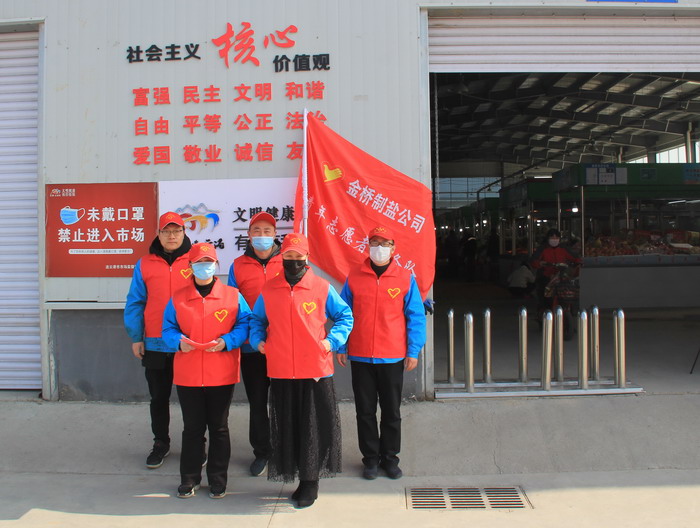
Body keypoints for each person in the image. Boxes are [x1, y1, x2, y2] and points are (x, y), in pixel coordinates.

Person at [249, 232, 353, 508]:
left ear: (307, 257)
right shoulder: (270, 289)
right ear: (281, 256)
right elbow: (256, 320)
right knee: (288, 426)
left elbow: (345, 315)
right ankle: (295, 475)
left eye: (298, 256)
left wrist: (332, 341)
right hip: (281, 370)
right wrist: (258, 341)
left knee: (312, 427)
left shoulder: (321, 287)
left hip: (314, 370)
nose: (293, 261)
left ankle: (310, 482)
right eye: (288, 256)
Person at [162, 242, 251, 499]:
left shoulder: (233, 296)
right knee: (192, 428)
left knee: (219, 428)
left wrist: (227, 341)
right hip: (188, 373)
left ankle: (218, 480)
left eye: (208, 262)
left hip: (220, 372)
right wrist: (178, 341)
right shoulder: (178, 297)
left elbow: (245, 324)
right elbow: (167, 328)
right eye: (199, 262)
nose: (204, 266)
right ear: (190, 266)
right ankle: (189, 479)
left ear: (217, 265)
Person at [337, 226, 426, 481]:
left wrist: (413, 350)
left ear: (393, 248)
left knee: (391, 412)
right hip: (361, 356)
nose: (379, 248)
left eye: (385, 243)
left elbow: (416, 316)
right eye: (374, 243)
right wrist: (342, 345)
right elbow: (343, 314)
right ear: (368, 246)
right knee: (365, 412)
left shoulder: (405, 278)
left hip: (393, 356)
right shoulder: (355, 276)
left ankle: (390, 459)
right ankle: (370, 460)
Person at [124, 211, 192, 469]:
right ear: (158, 234)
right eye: (166, 231)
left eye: (176, 231)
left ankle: (196, 443)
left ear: (184, 233)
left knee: (192, 398)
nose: (171, 236)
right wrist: (136, 336)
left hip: (188, 342)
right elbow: (135, 301)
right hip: (154, 341)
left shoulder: (195, 260)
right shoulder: (144, 264)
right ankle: (160, 443)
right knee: (158, 397)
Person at [227, 211, 283, 477]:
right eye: (257, 231)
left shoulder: (288, 260)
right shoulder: (237, 266)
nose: (262, 236)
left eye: (267, 231)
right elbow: (233, 306)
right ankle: (262, 451)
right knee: (258, 402)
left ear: (275, 234)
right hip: (252, 347)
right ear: (248, 235)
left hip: (283, 346)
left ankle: (285, 449)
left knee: (284, 401)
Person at [530, 228, 581, 312]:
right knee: (545, 297)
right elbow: (533, 261)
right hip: (546, 277)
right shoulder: (542, 249)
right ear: (548, 238)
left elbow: (575, 257)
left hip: (561, 277)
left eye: (556, 238)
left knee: (569, 291)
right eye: (552, 238)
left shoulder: (563, 248)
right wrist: (540, 263)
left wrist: (578, 263)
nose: (554, 240)